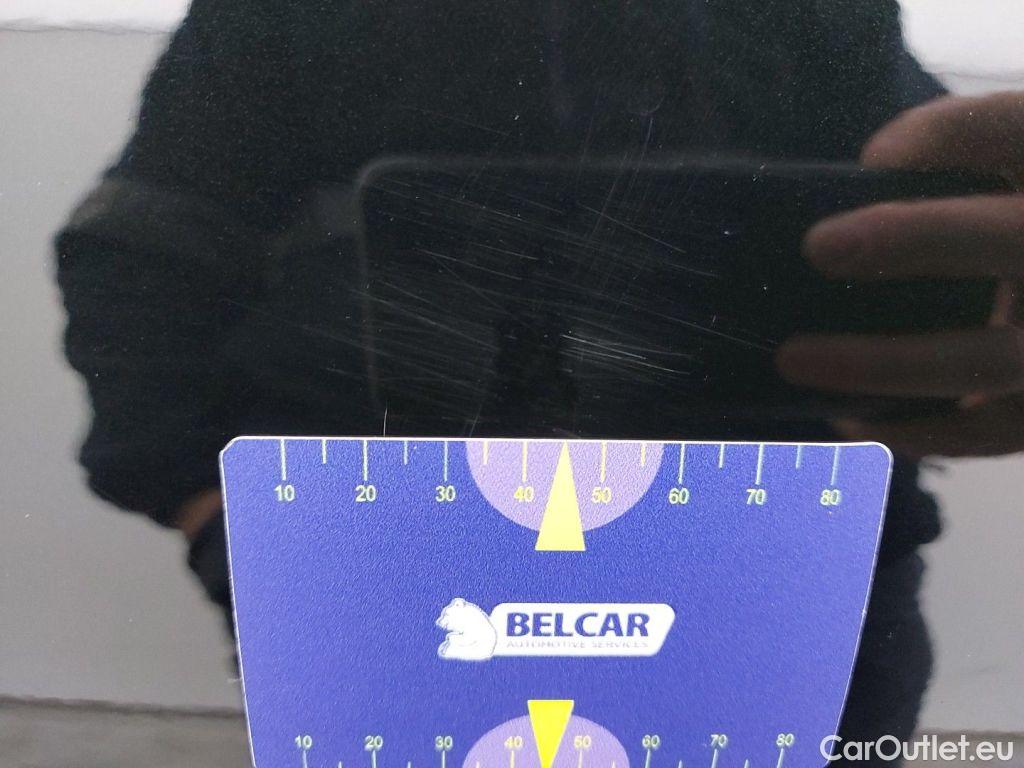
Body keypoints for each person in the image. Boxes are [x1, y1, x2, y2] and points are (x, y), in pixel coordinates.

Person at [55, 1, 1023, 763]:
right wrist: (213, 517)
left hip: (792, 566)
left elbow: (930, 214)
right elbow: (140, 256)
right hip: (393, 565)